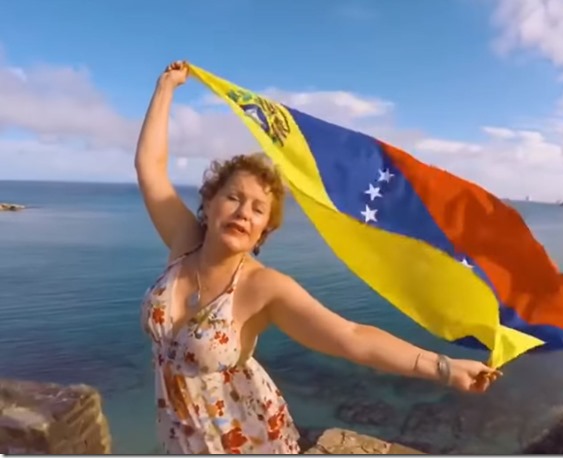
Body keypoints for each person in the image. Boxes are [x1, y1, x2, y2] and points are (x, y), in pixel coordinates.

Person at [136, 61, 501, 454]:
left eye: (258, 209)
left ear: (264, 229)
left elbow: (351, 338)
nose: (243, 213)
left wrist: (445, 368)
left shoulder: (263, 287)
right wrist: (166, 87)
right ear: (209, 203)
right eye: (233, 197)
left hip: (247, 443)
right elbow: (149, 168)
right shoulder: (184, 243)